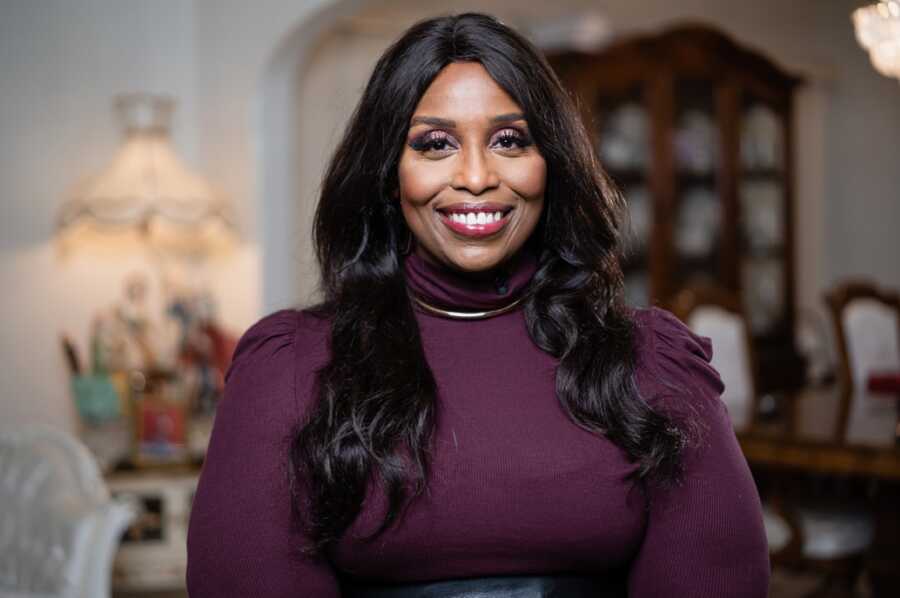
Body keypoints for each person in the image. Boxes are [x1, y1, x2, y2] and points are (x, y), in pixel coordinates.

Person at [186, 12, 769, 597]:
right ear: (392, 173)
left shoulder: (653, 365)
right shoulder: (289, 368)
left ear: (551, 165)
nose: (475, 176)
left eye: (509, 140)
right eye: (435, 143)